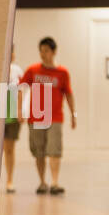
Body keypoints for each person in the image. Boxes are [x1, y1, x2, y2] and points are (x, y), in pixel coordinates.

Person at [21, 36, 76, 196]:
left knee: (54, 150)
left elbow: (69, 94)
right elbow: (21, 88)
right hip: (36, 117)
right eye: (41, 50)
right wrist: (19, 110)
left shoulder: (62, 73)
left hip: (55, 117)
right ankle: (42, 182)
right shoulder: (33, 70)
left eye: (46, 51)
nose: (43, 54)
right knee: (39, 152)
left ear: (54, 52)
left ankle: (55, 182)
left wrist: (74, 114)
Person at [2, 47, 23, 194]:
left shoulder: (17, 70)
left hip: (13, 114)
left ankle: (9, 180)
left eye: (12, 51)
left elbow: (21, 91)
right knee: (0, 150)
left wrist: (20, 111)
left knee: (10, 149)